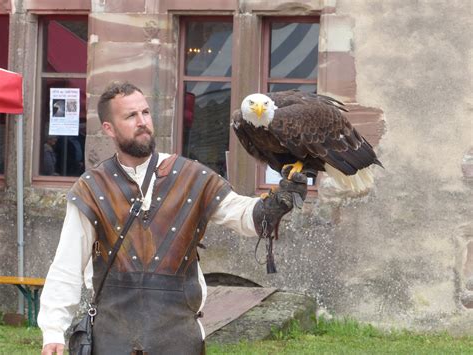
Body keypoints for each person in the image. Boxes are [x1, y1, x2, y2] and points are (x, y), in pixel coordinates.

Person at [38, 82, 307, 355]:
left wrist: (273, 205)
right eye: (131, 116)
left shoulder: (191, 176)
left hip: (178, 339)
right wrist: (53, 330)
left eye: (145, 112)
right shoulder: (92, 188)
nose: (142, 122)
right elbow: (67, 265)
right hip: (112, 338)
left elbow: (242, 214)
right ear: (109, 128)